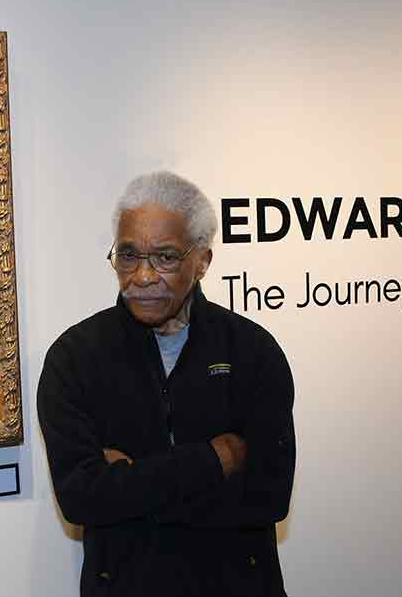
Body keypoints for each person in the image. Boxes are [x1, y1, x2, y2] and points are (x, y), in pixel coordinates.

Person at [38, 171, 296, 596]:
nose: (142, 276)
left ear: (202, 262)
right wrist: (216, 460)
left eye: (166, 257)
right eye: (128, 256)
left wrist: (130, 479)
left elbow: (268, 497)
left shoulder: (253, 351)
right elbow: (81, 500)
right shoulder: (74, 358)